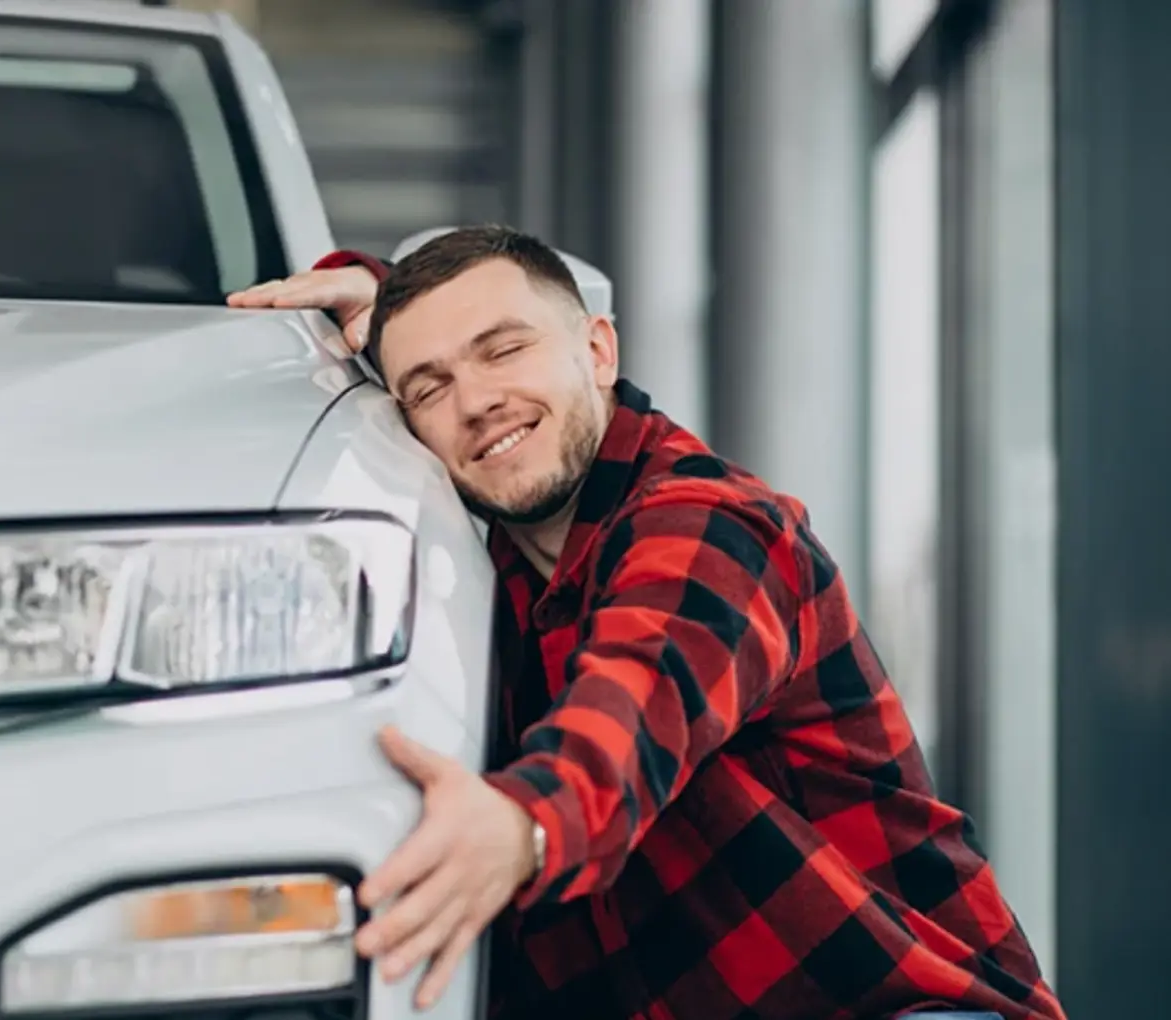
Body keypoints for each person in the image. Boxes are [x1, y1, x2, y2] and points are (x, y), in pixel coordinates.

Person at [228, 226, 1065, 1020]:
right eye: (430, 387)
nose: (476, 401)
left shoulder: (709, 524)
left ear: (598, 351)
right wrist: (379, 300)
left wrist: (521, 822)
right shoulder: (498, 579)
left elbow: (638, 700)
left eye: (505, 349)